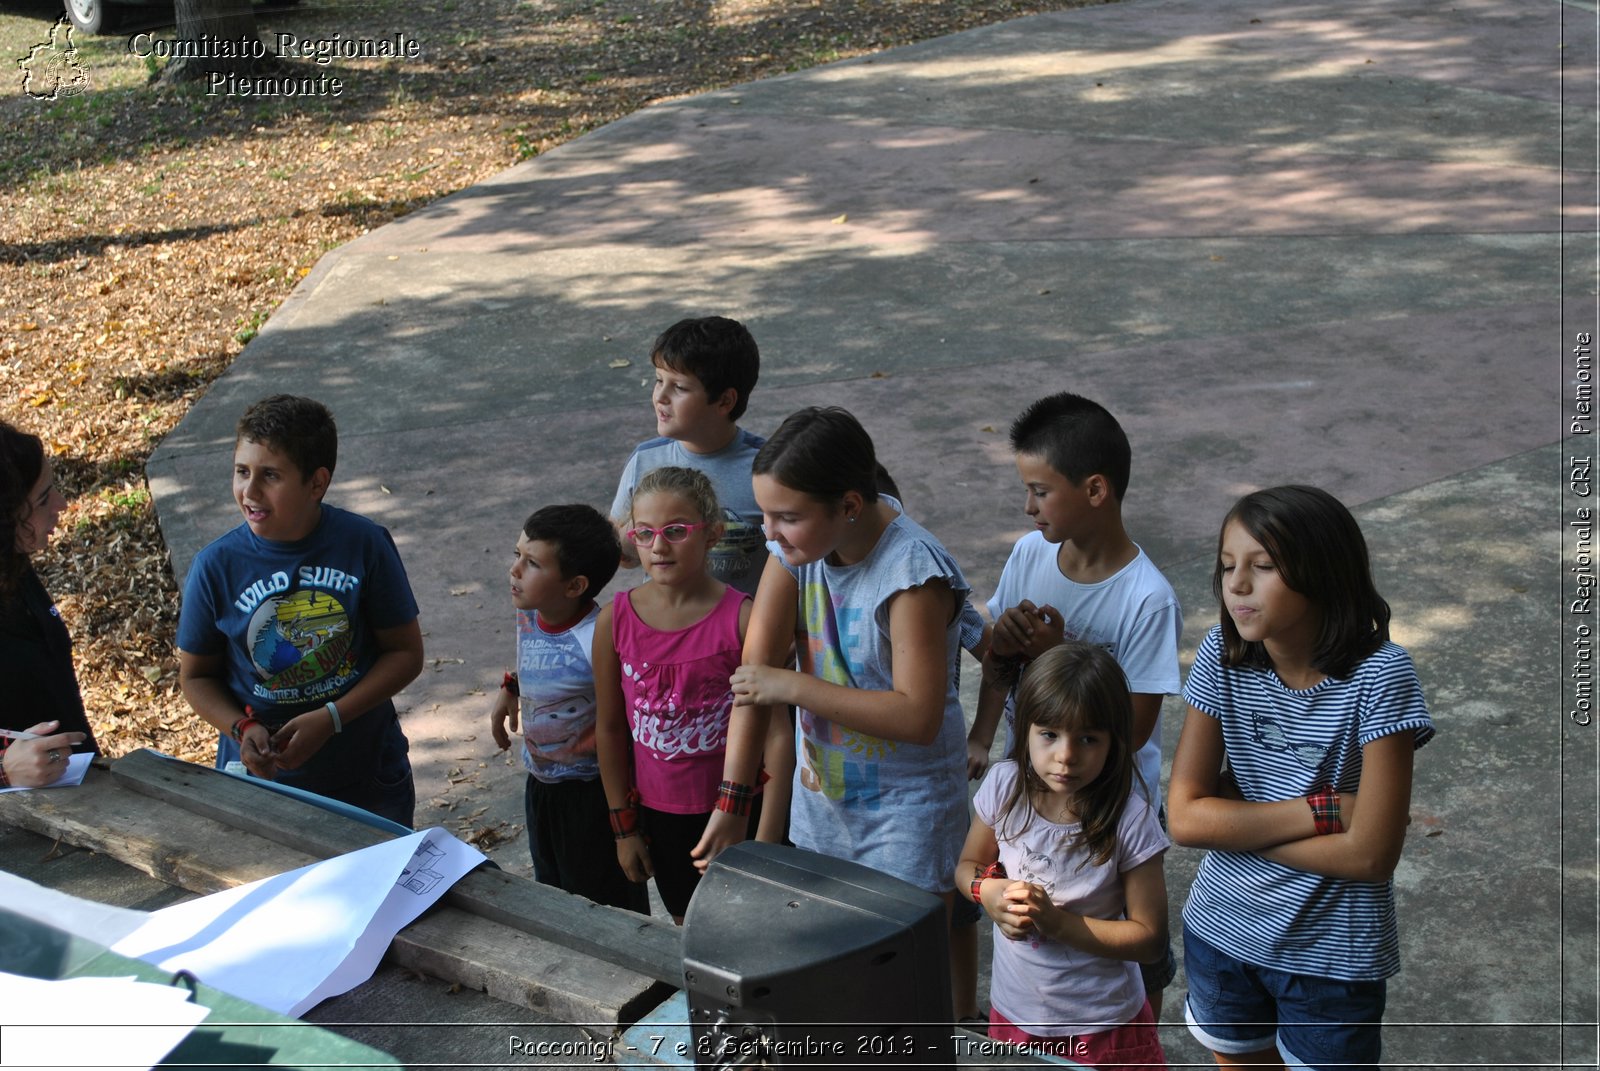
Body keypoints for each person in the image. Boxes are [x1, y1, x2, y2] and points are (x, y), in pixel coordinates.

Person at [1168, 485, 1434, 1071]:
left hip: (1332, 956)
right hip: (1221, 930)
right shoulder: (1223, 654)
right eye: (1227, 566)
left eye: (1263, 567)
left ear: (1323, 572)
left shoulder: (1380, 675)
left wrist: (1236, 827)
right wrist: (1328, 811)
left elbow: (1370, 856)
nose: (1237, 584)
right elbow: (1186, 819)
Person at [694, 406, 971, 918]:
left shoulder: (910, 575)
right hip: (823, 810)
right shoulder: (794, 553)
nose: (769, 533)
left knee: (904, 966)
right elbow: (753, 681)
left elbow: (918, 716)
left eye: (787, 518)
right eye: (765, 515)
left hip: (907, 820)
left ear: (847, 505)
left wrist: (793, 687)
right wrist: (732, 803)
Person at [970, 390, 1182, 1014]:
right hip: (1035, 798)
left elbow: (1137, 727)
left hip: (1110, 811)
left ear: (1095, 490)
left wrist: (1060, 652)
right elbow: (999, 662)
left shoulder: (1146, 597)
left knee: (1129, 950)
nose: (1028, 505)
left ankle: (1133, 1037)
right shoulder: (1030, 554)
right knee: (1042, 942)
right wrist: (999, 663)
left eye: (1040, 490)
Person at [177, 395, 424, 828]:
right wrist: (241, 729)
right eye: (241, 471)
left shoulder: (363, 544)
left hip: (365, 778)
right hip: (260, 785)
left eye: (270, 475)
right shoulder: (215, 566)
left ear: (317, 483)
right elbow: (196, 676)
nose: (249, 492)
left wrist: (332, 718)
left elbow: (405, 654)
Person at [957, 643, 1169, 1070]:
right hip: (1015, 1014)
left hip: (1103, 1025)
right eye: (1049, 734)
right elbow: (967, 867)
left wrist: (1058, 923)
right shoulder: (1004, 786)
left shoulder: (1129, 817)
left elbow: (1150, 940)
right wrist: (988, 892)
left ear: (1115, 741)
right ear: (1025, 729)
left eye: (1088, 738)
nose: (1066, 755)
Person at [594, 467, 754, 923]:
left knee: (748, 927)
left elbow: (773, 731)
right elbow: (609, 728)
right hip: (660, 818)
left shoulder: (742, 619)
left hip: (735, 809)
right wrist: (624, 828)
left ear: (713, 534)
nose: (659, 546)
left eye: (677, 531)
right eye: (644, 533)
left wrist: (757, 825)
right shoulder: (615, 620)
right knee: (690, 925)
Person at [488, 504, 649, 913]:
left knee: (606, 910)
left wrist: (624, 826)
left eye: (532, 563)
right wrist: (511, 687)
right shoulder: (530, 614)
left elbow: (622, 723)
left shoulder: (598, 637)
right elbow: (534, 655)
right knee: (555, 897)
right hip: (542, 787)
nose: (515, 571)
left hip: (591, 797)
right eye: (516, 556)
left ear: (575, 585)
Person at [610, 316, 768, 595]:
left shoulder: (767, 467)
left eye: (679, 387)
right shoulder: (645, 460)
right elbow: (624, 556)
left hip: (743, 632)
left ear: (724, 401)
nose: (661, 396)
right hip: (664, 626)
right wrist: (646, 525)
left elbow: (795, 560)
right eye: (659, 380)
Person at [0, 420, 94, 788]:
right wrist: (5, 770)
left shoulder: (15, 570)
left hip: (78, 795)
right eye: (42, 499)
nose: (62, 504)